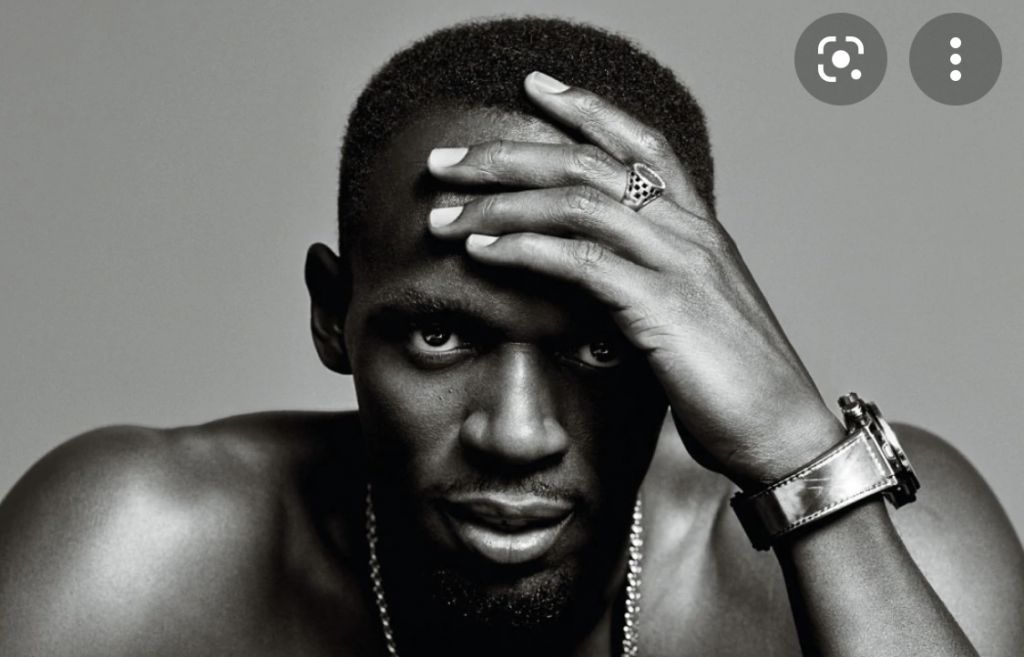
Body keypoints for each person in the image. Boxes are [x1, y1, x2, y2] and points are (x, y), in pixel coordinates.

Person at [0, 17, 1021, 657]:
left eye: (603, 346)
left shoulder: (896, 546)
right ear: (331, 314)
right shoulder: (134, 551)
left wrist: (804, 460)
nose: (519, 433)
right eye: (441, 334)